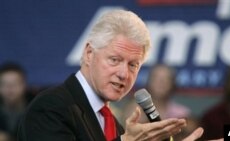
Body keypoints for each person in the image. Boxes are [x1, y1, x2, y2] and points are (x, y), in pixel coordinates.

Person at [17, 10, 219, 141]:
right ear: (89, 53)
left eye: (133, 64)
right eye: (114, 60)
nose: (124, 73)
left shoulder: (113, 123)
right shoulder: (50, 108)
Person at [0, 63, 31, 141]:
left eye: (14, 84)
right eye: (4, 84)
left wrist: (8, 138)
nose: (10, 88)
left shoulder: (36, 108)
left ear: (24, 85)